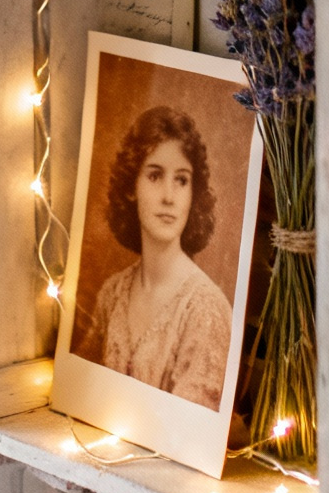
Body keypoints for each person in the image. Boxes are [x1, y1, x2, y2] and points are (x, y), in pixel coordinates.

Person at [74, 105, 233, 408]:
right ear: (132, 187)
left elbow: (186, 433)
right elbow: (82, 392)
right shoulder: (112, 293)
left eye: (182, 180)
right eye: (155, 176)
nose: (169, 197)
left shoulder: (205, 310)